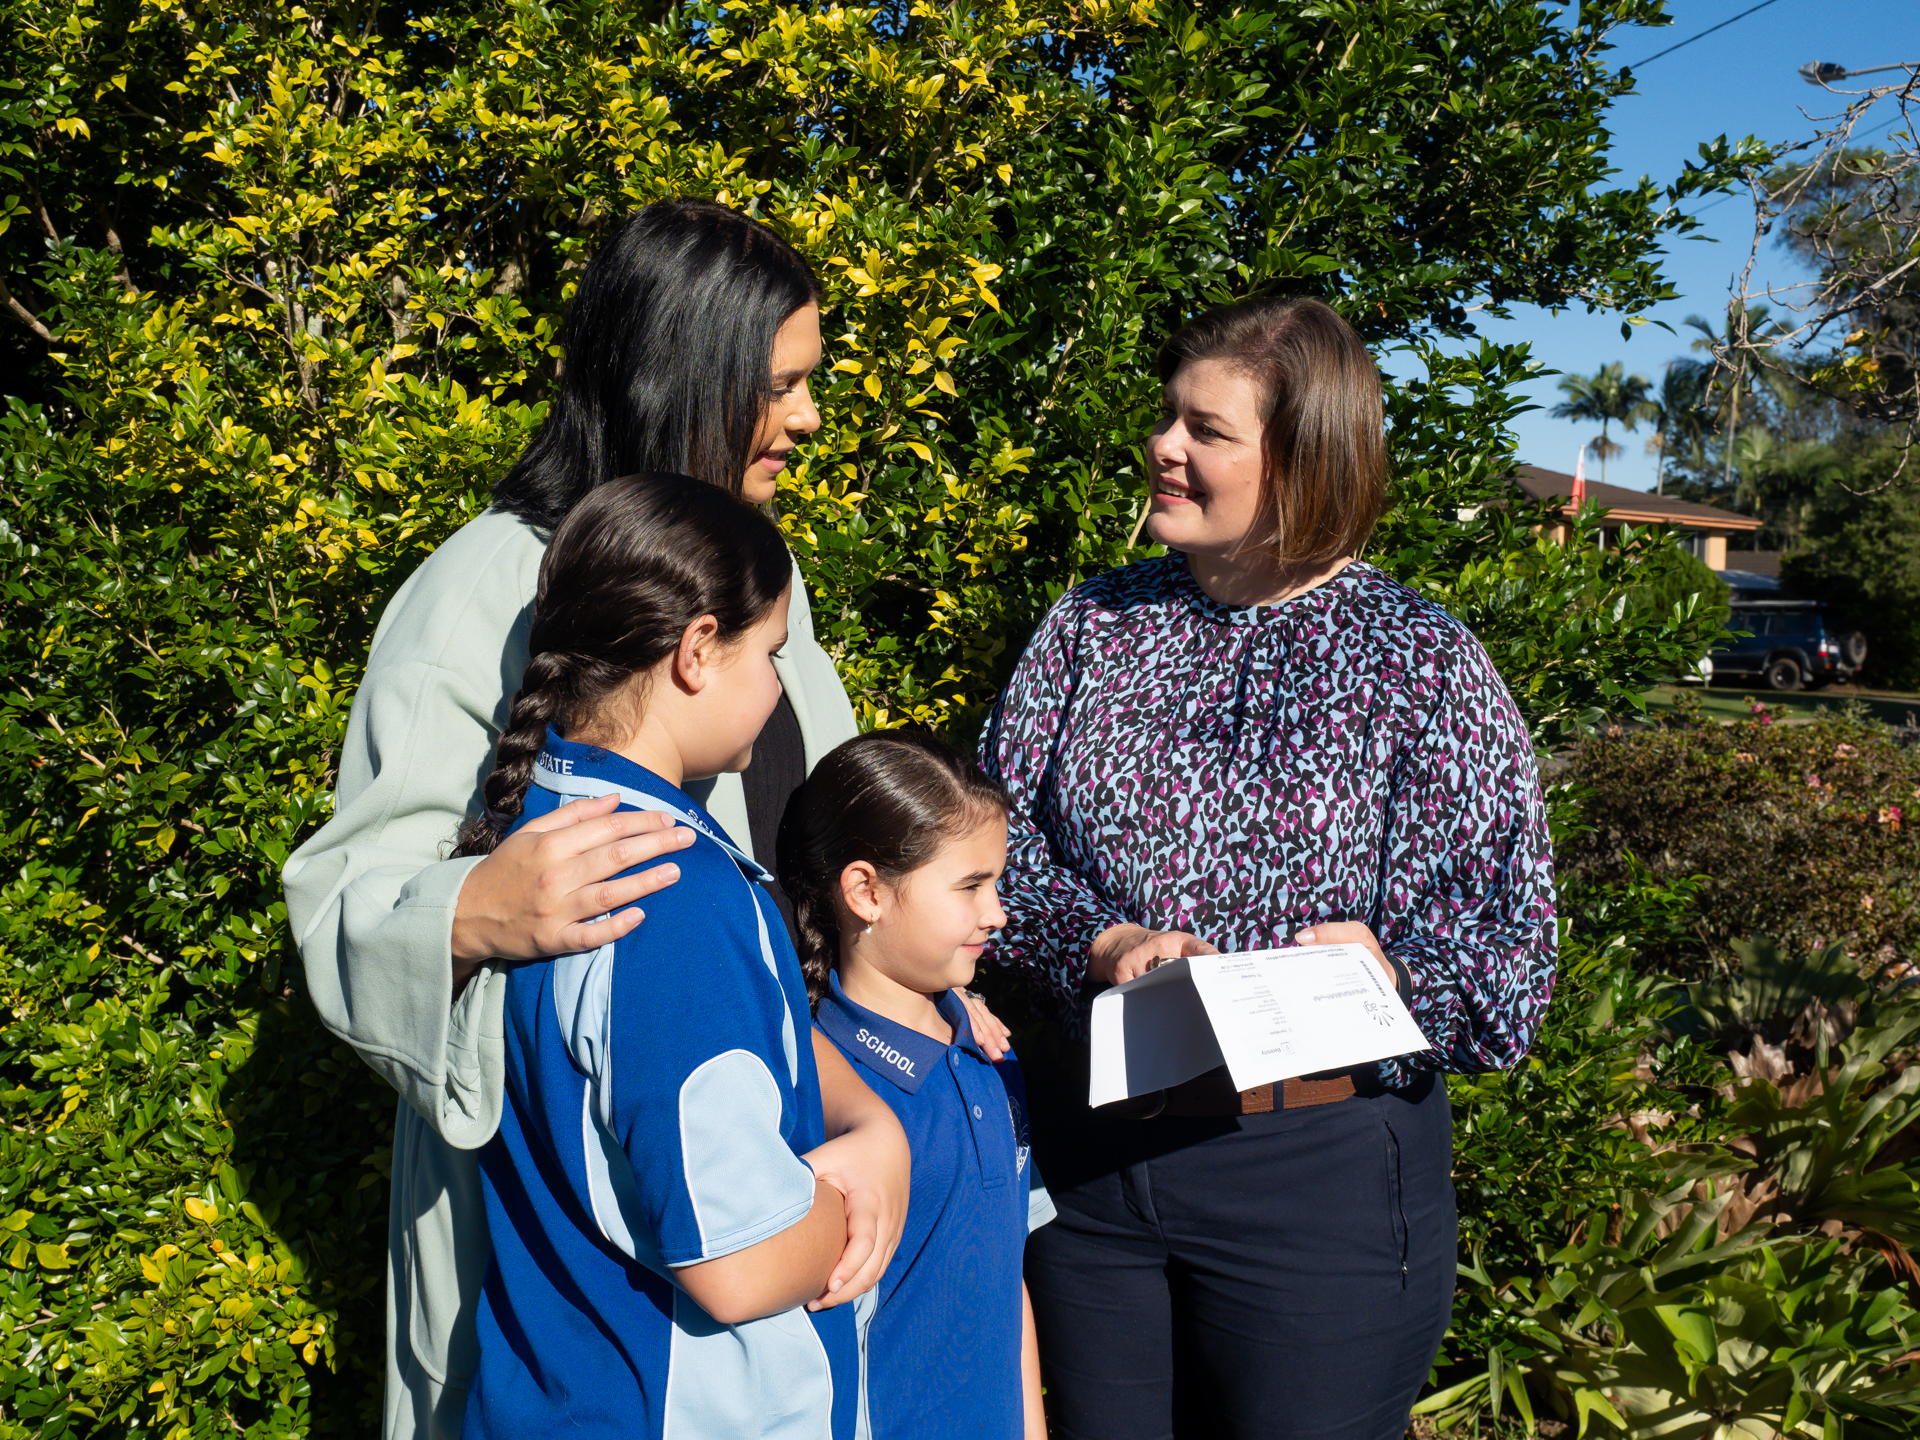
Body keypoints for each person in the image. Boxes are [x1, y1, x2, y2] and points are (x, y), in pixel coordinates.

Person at [281, 199, 915, 1440]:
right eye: (782, 385)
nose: (808, 420)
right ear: (687, 371)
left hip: (768, 1211)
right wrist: (468, 910)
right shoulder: (483, 586)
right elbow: (347, 902)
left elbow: (835, 872)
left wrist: (881, 1098)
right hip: (584, 1289)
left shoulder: (752, 584)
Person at [978, 296, 1557, 1440]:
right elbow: (992, 851)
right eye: (1167, 417)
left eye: (1206, 430)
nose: (1163, 446)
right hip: (1094, 1162)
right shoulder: (1093, 625)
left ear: (1304, 462)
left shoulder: (1420, 661)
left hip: (1314, 1183)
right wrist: (1096, 942)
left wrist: (1392, 973)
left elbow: (1512, 965)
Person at [448, 472, 902, 1437]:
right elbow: (734, 1264)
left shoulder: (537, 826)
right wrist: (844, 1207)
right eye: (772, 653)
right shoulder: (670, 892)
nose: (781, 687)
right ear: (698, 650)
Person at [779, 732, 1054, 1440]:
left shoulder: (992, 1054)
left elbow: (1004, 1272)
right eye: (969, 886)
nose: (997, 913)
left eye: (997, 882)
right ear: (866, 891)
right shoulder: (816, 1089)